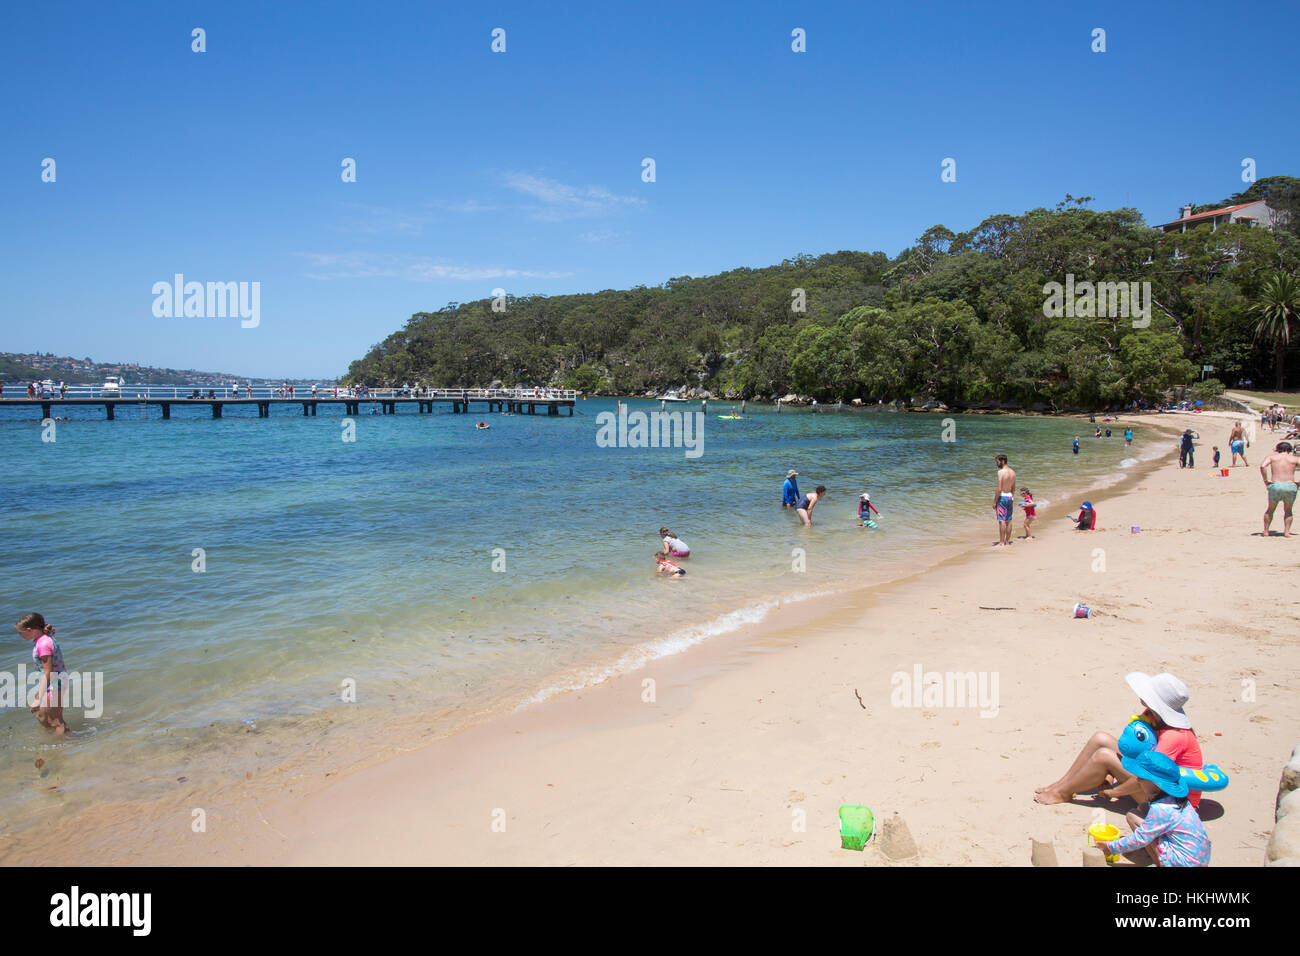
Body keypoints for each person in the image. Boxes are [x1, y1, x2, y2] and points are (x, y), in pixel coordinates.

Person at [1036, 672, 1203, 808]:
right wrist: (1111, 775)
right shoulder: (1152, 716)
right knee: (1100, 738)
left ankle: (1062, 793)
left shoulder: (1174, 737)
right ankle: (1061, 784)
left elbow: (1150, 776)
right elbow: (1134, 749)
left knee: (1104, 756)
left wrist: (1113, 792)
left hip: (1171, 802)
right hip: (1152, 784)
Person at [1093, 751, 1211, 867]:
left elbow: (1140, 838)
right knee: (1143, 808)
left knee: (1132, 816)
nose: (1138, 781)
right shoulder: (1176, 799)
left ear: (1155, 784)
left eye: (1141, 778)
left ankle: (1159, 862)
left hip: (1183, 863)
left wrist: (1110, 847)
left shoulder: (1162, 809)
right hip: (1199, 858)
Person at [14, 612, 70, 735]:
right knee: (42, 717)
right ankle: (56, 741)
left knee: (56, 721)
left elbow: (49, 672)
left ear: (29, 630)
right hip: (54, 683)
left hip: (55, 684)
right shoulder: (43, 640)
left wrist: (38, 698)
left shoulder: (43, 644)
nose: (20, 635)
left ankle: (67, 746)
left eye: (20, 632)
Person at [1259, 441, 1300, 537]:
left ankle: (1266, 531)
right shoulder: (1294, 458)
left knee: (1270, 509)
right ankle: (1287, 532)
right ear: (1289, 450)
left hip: (1275, 485)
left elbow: (1262, 466)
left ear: (1278, 449)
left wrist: (1265, 480)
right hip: (1290, 486)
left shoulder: (1272, 457)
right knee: (1288, 510)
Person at [994, 455, 1016, 547]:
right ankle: (1007, 541)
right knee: (1009, 520)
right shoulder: (1013, 472)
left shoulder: (1001, 472)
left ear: (1002, 461)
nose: (996, 464)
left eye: (997, 462)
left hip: (1002, 497)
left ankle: (1001, 542)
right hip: (1010, 497)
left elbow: (999, 489)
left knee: (1002, 520)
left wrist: (995, 501)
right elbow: (1013, 488)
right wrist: (1011, 497)